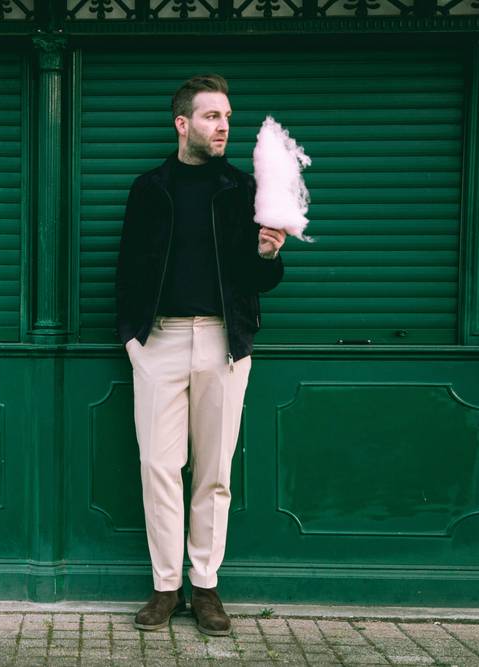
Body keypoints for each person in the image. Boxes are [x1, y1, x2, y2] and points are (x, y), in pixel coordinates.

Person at [115, 74, 286, 636]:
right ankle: (166, 587)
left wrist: (267, 255)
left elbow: (260, 280)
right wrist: (133, 339)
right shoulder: (150, 189)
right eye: (212, 116)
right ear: (182, 123)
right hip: (158, 341)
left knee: (213, 472)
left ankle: (206, 586)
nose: (223, 126)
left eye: (228, 117)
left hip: (222, 342)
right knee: (158, 467)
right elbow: (127, 269)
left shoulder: (241, 188)